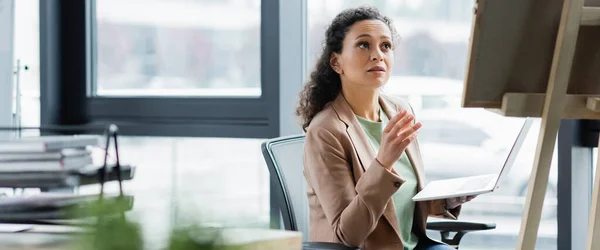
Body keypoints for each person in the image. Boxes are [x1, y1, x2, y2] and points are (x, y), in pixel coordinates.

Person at [296, 6, 476, 250]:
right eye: (363, 45)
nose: (377, 55)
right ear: (336, 62)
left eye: (386, 46)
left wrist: (446, 202)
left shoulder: (399, 111)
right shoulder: (325, 131)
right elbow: (348, 234)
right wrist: (383, 163)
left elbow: (398, 205)